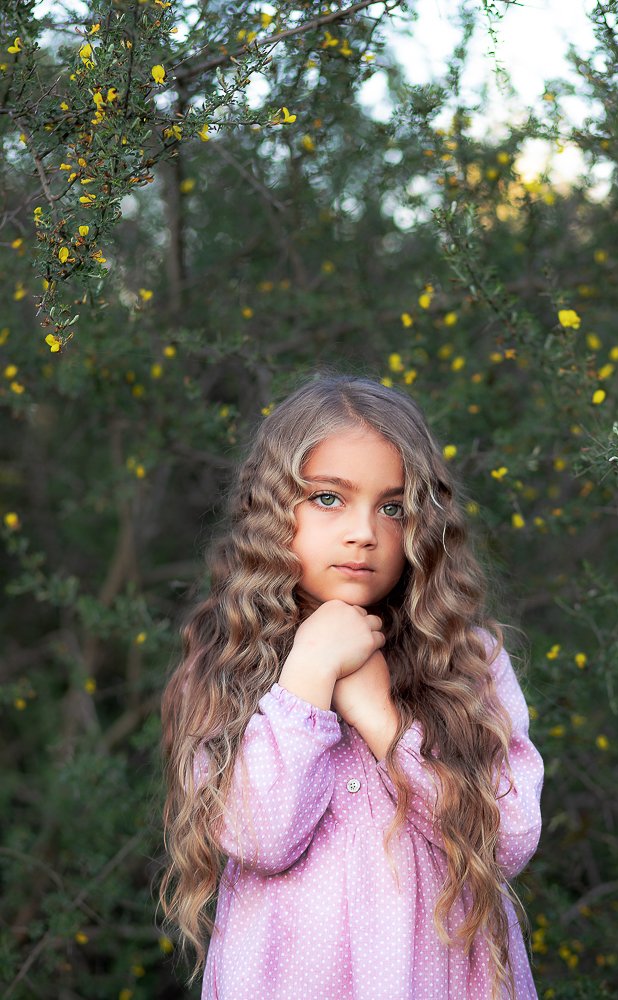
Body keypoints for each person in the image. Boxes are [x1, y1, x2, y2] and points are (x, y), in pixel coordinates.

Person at [160, 375, 544, 1000]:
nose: (363, 531)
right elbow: (260, 837)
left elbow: (508, 841)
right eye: (328, 498)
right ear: (271, 509)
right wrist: (308, 675)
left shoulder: (468, 661)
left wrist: (381, 718)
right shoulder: (230, 662)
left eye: (393, 507)